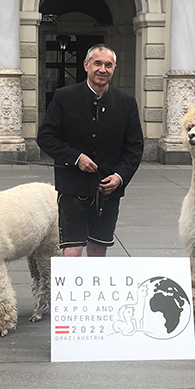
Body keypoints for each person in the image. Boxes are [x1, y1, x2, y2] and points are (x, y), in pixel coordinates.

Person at [37, 44, 144, 257]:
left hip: (108, 189)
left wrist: (120, 177)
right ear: (86, 65)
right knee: (72, 251)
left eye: (108, 65)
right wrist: (76, 158)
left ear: (114, 68)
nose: (102, 69)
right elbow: (46, 137)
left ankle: (93, 292)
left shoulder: (126, 102)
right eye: (97, 63)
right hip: (72, 186)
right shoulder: (64, 97)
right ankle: (70, 292)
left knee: (98, 249)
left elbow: (135, 146)